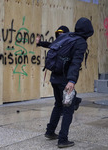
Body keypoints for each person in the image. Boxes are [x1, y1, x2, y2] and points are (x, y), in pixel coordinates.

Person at [44, 17, 94, 148]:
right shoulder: (81, 42)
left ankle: (50, 131)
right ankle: (62, 140)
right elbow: (75, 63)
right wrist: (71, 81)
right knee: (68, 110)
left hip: (54, 76)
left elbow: (52, 47)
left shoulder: (66, 36)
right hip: (65, 80)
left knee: (58, 105)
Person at [36, 26, 82, 111]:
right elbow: (49, 44)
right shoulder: (58, 44)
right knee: (60, 95)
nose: (60, 35)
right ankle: (74, 101)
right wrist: (40, 43)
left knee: (64, 93)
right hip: (58, 74)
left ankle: (69, 105)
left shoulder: (71, 45)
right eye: (58, 33)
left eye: (62, 33)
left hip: (66, 73)